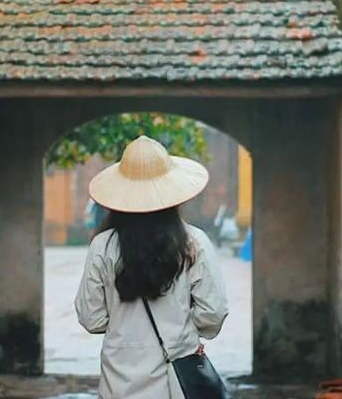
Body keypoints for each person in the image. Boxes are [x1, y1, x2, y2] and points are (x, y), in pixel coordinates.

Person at [75, 135, 229, 399]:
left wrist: (125, 327)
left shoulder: (103, 246)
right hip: (177, 382)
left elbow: (91, 317)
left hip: (118, 384)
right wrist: (185, 333)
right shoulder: (194, 243)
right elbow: (212, 314)